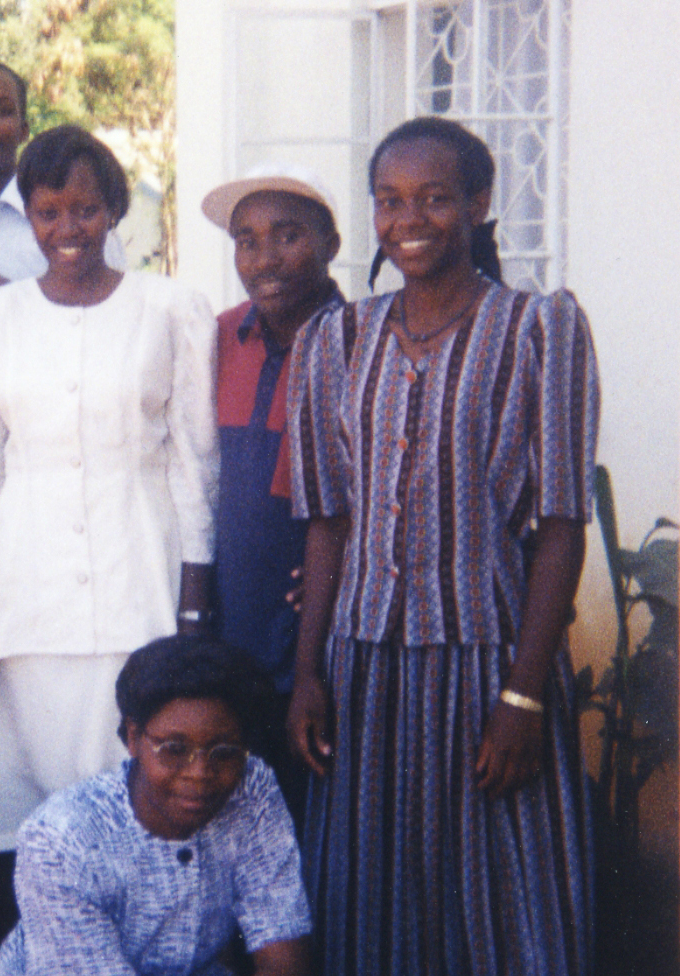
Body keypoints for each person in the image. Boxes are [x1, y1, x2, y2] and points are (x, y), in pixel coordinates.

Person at [286, 116, 597, 976]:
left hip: (488, 662)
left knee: (502, 897)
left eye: (432, 198)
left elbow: (561, 527)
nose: (407, 219)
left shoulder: (540, 329)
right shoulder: (333, 340)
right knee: (368, 893)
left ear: (477, 203)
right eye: (388, 201)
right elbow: (327, 522)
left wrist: (523, 698)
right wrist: (308, 671)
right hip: (361, 669)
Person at [0, 124, 218, 857]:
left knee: (140, 801)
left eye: (86, 209)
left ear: (113, 212)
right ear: (28, 217)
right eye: (47, 211)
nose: (68, 228)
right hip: (23, 598)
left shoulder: (169, 310)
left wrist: (193, 603)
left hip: (141, 581)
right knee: (32, 817)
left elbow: (195, 466)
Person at [0, 635, 312, 976]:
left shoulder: (253, 788)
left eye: (223, 751)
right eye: (173, 748)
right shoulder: (59, 838)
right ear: (132, 737)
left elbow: (283, 947)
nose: (199, 773)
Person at [198, 163, 344, 818]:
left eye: (287, 236)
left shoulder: (364, 340)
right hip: (233, 606)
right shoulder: (217, 336)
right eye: (247, 240)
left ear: (330, 244)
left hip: (323, 608)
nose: (265, 258)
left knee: (317, 788)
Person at [0, 59, 126, 295]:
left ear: (24, 130)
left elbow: (112, 311)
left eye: (2, 111)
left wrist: (26, 308)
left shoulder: (78, 223)